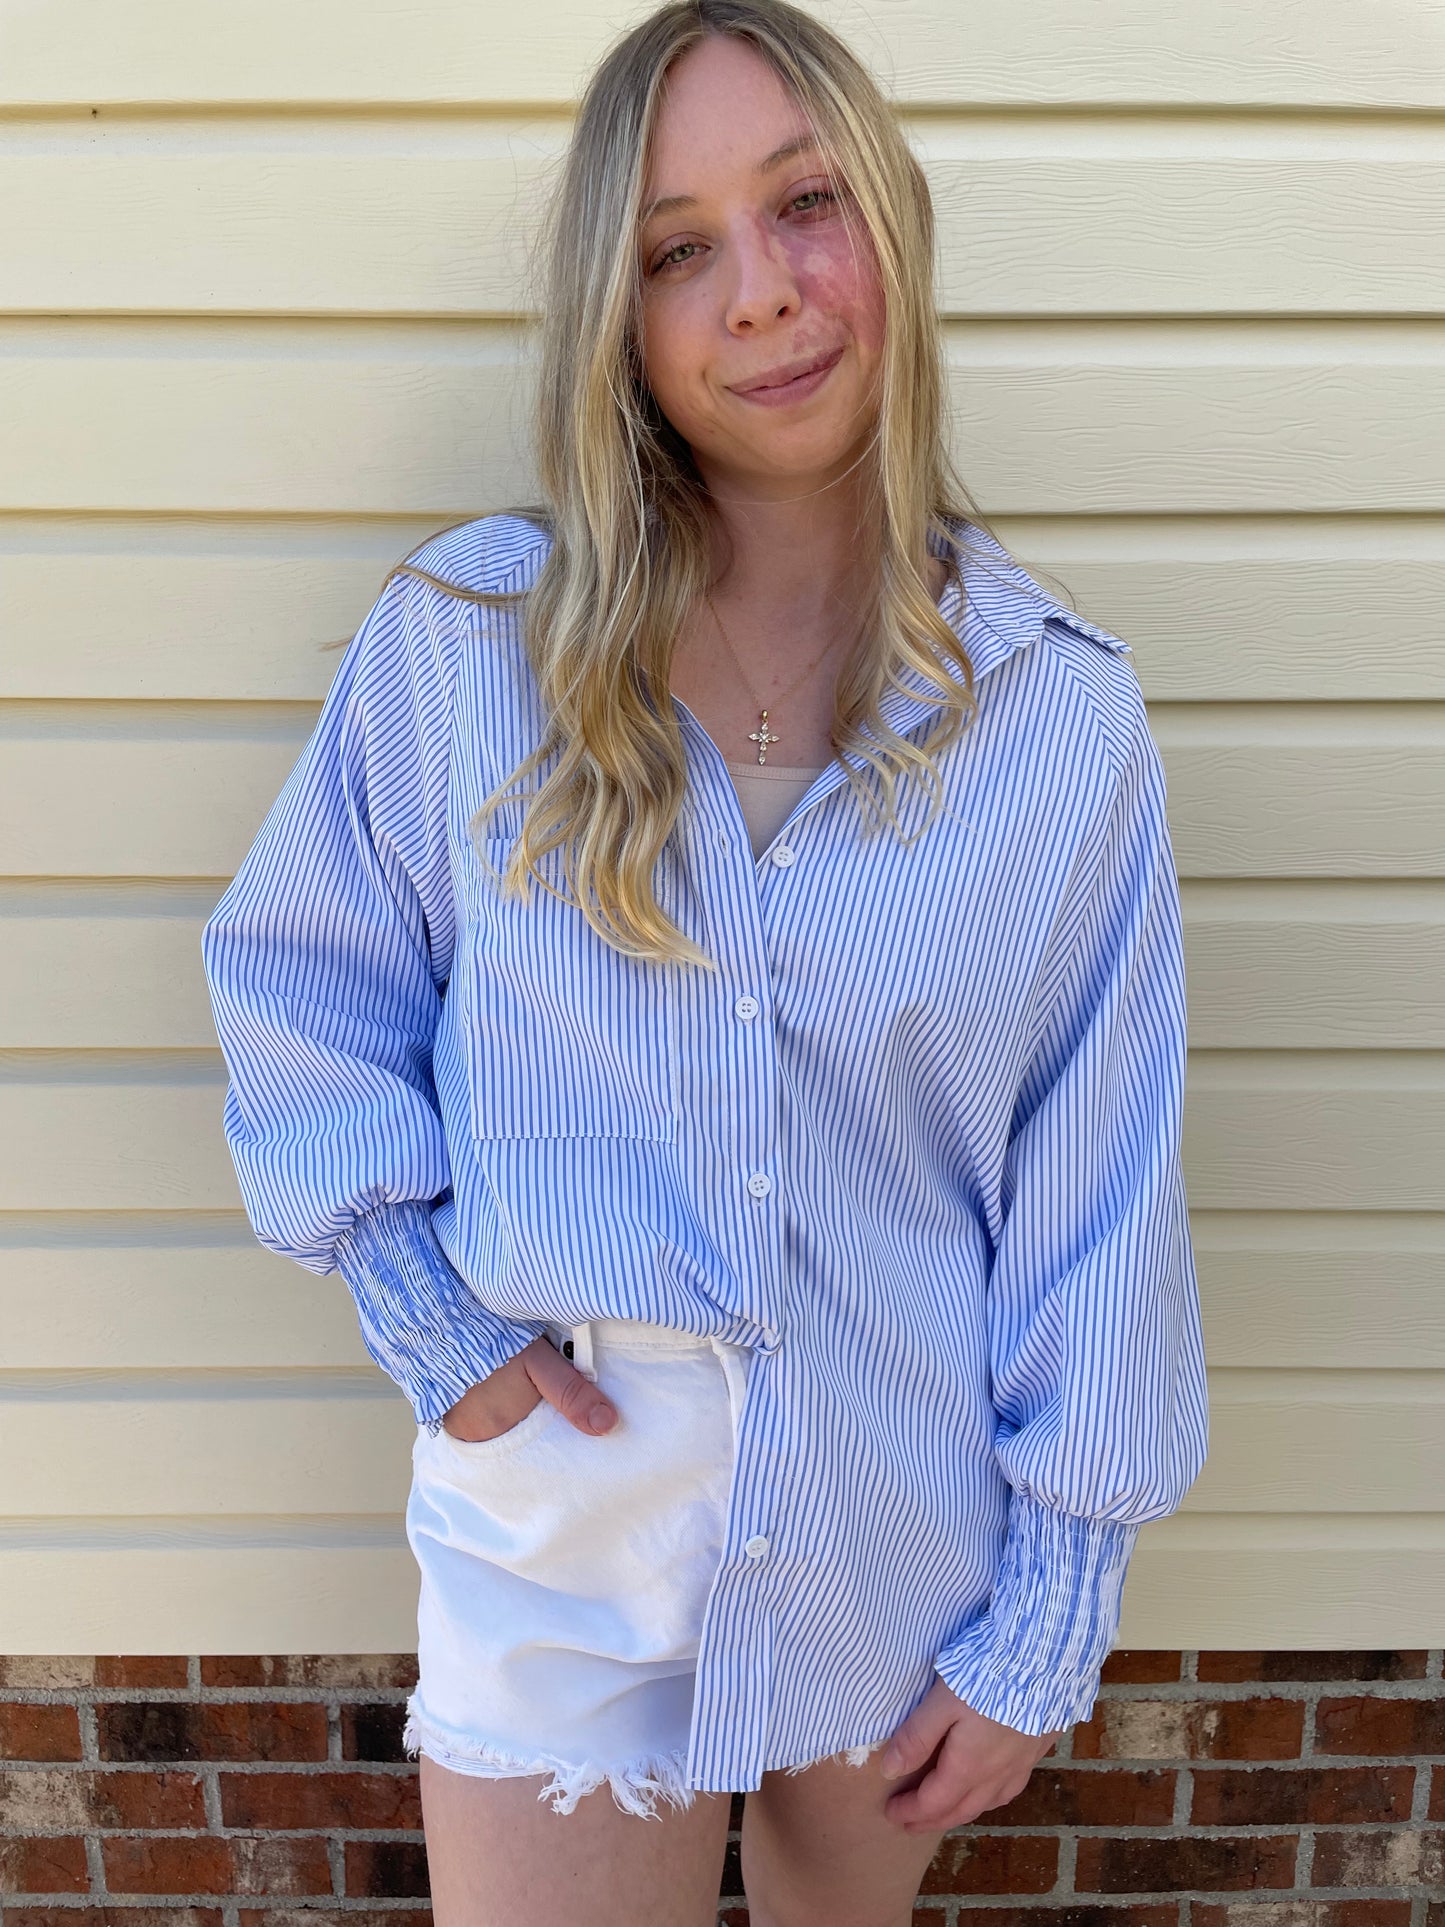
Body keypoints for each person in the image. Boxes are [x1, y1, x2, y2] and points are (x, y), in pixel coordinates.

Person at [200, 2, 1210, 1921]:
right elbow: (298, 988)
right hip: (564, 1517)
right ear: (622, 316)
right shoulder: (461, 651)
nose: (759, 293)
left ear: (891, 230)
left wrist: (1047, 1611)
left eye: (805, 204)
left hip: (901, 1514)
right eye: (679, 248)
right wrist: (438, 1327)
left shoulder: (1056, 720)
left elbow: (1102, 1194)